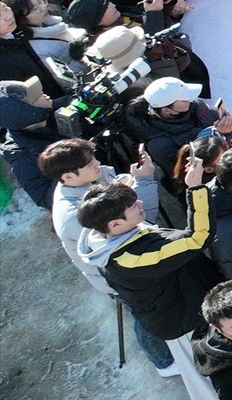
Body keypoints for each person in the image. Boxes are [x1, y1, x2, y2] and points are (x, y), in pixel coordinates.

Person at [76, 150, 222, 370]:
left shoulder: (107, 235)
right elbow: (198, 238)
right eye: (133, 206)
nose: (141, 204)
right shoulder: (132, 257)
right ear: (114, 224)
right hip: (188, 325)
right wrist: (195, 188)